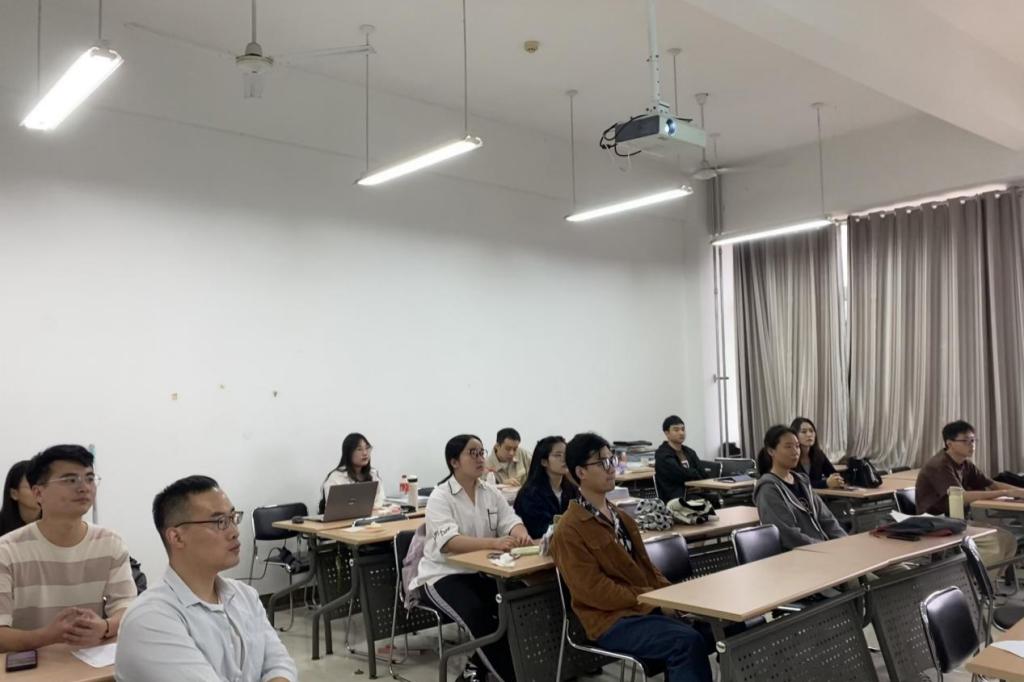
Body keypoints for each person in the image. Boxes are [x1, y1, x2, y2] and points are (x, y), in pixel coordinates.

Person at [550, 432, 712, 682]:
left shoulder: (621, 517)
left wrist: (671, 598)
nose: (611, 468)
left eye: (611, 460)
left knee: (715, 626)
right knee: (685, 642)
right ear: (581, 472)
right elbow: (594, 591)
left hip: (641, 609)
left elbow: (647, 568)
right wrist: (652, 602)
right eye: (602, 463)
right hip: (609, 620)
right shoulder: (569, 530)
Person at [115, 475, 297, 682]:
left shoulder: (245, 596)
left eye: (233, 518)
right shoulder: (150, 619)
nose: (234, 532)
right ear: (176, 537)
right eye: (220, 522)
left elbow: (280, 664)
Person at [411, 434, 532, 682]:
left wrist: (520, 533)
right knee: (478, 615)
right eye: (472, 453)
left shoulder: (490, 491)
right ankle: (513, 676)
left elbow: (510, 520)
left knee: (520, 603)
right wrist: (494, 543)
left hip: (482, 571)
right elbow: (449, 543)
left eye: (481, 452)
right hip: (443, 575)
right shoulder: (440, 496)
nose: (479, 458)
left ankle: (476, 668)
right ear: (454, 462)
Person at [0, 445, 136, 652]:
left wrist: (105, 626)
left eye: (90, 478)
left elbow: (127, 607)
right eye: (70, 480)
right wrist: (47, 635)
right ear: (38, 493)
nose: (84, 487)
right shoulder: (6, 551)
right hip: (33, 663)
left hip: (91, 660)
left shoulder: (110, 542)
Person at [916, 420, 1022, 569]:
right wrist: (1006, 493)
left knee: (1008, 540)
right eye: (966, 441)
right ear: (949, 443)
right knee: (996, 542)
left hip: (956, 521)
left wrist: (1019, 492)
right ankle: (973, 580)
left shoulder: (965, 464)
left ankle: (986, 582)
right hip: (937, 523)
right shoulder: (939, 465)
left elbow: (991, 484)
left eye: (973, 440)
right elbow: (961, 497)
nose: (971, 445)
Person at [753, 425, 847, 550]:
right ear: (771, 451)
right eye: (788, 447)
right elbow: (788, 536)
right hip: (798, 555)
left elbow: (827, 520)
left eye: (797, 446)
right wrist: (825, 548)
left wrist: (845, 542)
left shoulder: (802, 481)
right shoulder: (768, 489)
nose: (795, 451)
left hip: (821, 550)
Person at [513, 436, 576, 538]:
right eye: (558, 455)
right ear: (544, 461)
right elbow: (541, 530)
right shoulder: (530, 495)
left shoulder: (572, 489)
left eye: (566, 454)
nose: (564, 459)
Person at [319, 432, 385, 513]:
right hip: (343, 519)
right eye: (359, 449)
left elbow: (380, 501)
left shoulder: (373, 474)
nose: (365, 453)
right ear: (349, 453)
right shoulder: (336, 478)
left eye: (367, 448)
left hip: (370, 518)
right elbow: (333, 509)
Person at [654, 416, 705, 503]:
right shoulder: (662, 454)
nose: (681, 433)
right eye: (676, 430)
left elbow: (703, 473)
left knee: (715, 499)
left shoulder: (690, 452)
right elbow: (679, 474)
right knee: (703, 503)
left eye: (683, 429)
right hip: (677, 498)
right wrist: (694, 472)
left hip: (695, 493)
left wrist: (700, 484)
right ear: (667, 433)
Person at [790, 417, 844, 489]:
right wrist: (825, 483)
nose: (809, 434)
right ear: (794, 435)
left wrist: (838, 480)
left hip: (819, 495)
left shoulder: (818, 454)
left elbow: (834, 474)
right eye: (804, 432)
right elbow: (798, 484)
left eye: (811, 431)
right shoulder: (791, 456)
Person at [0, 461, 39, 536]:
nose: (40, 491)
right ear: (14, 494)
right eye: (32, 487)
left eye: (43, 484)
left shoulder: (57, 525)